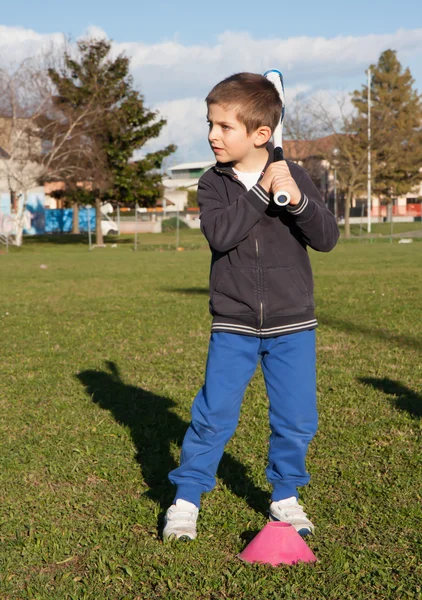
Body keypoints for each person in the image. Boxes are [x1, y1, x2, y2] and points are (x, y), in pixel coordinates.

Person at [163, 72, 339, 541]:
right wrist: (261, 189)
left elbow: (327, 239)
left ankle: (285, 496)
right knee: (213, 415)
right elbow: (222, 234)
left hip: (293, 324)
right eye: (210, 124)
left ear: (262, 134)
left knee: (296, 418)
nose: (211, 135)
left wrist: (299, 201)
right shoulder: (213, 184)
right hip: (235, 324)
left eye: (224, 126)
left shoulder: (294, 175)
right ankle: (186, 498)